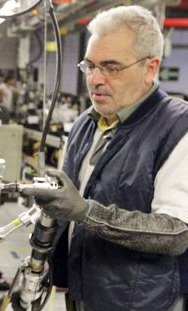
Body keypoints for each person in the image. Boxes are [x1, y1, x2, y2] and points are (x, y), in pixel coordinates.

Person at [23, 5, 188, 311]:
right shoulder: (89, 121)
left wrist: (87, 213)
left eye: (111, 67)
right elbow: (65, 207)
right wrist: (37, 267)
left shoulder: (178, 128)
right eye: (90, 66)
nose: (96, 79)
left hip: (141, 303)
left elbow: (176, 231)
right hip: (80, 293)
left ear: (150, 68)